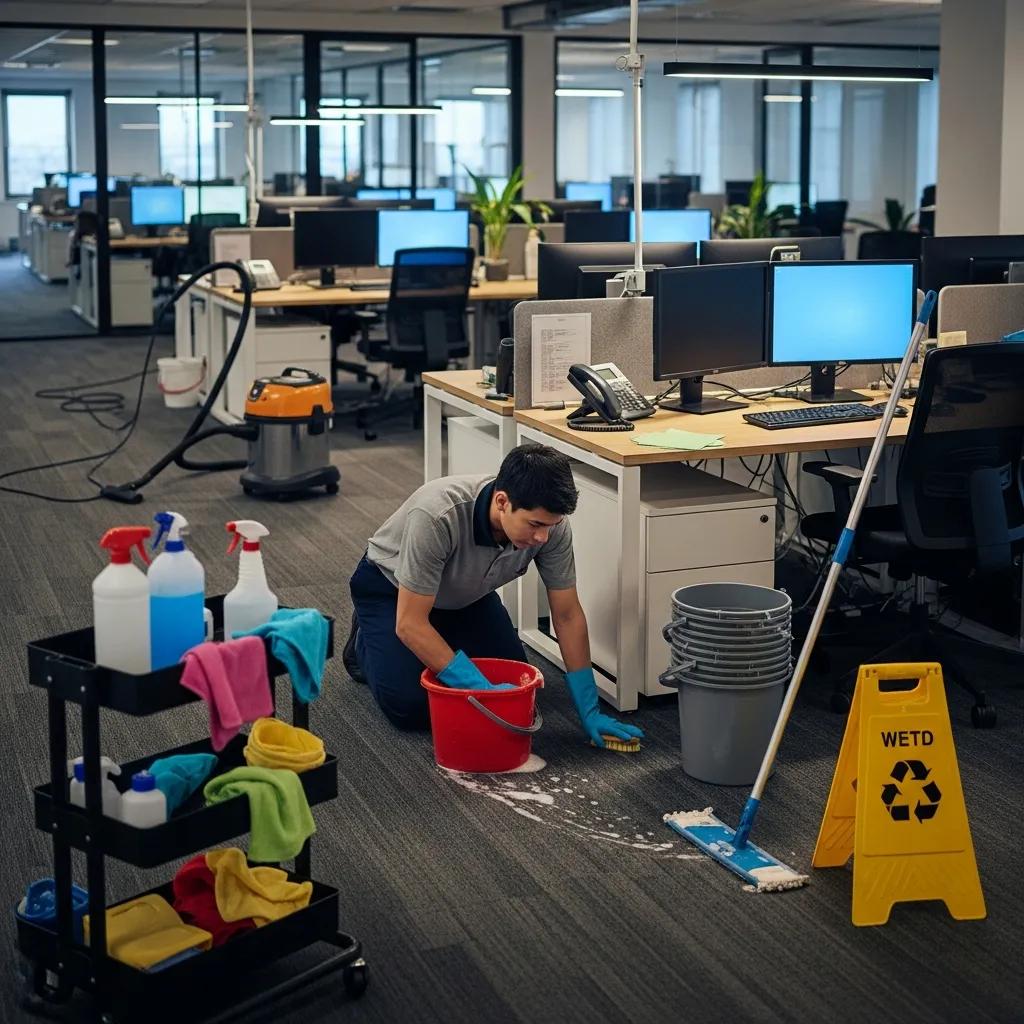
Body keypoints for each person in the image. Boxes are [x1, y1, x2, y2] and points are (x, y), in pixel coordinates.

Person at [344, 443, 643, 748]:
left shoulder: (552, 529)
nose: (542, 537)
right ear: (502, 502)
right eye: (535, 524)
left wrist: (589, 711)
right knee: (410, 706)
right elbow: (410, 623)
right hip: (392, 592)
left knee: (520, 689)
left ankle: (440, 638)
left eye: (550, 526)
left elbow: (566, 614)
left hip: (468, 595)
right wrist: (480, 688)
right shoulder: (437, 514)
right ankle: (364, 644)